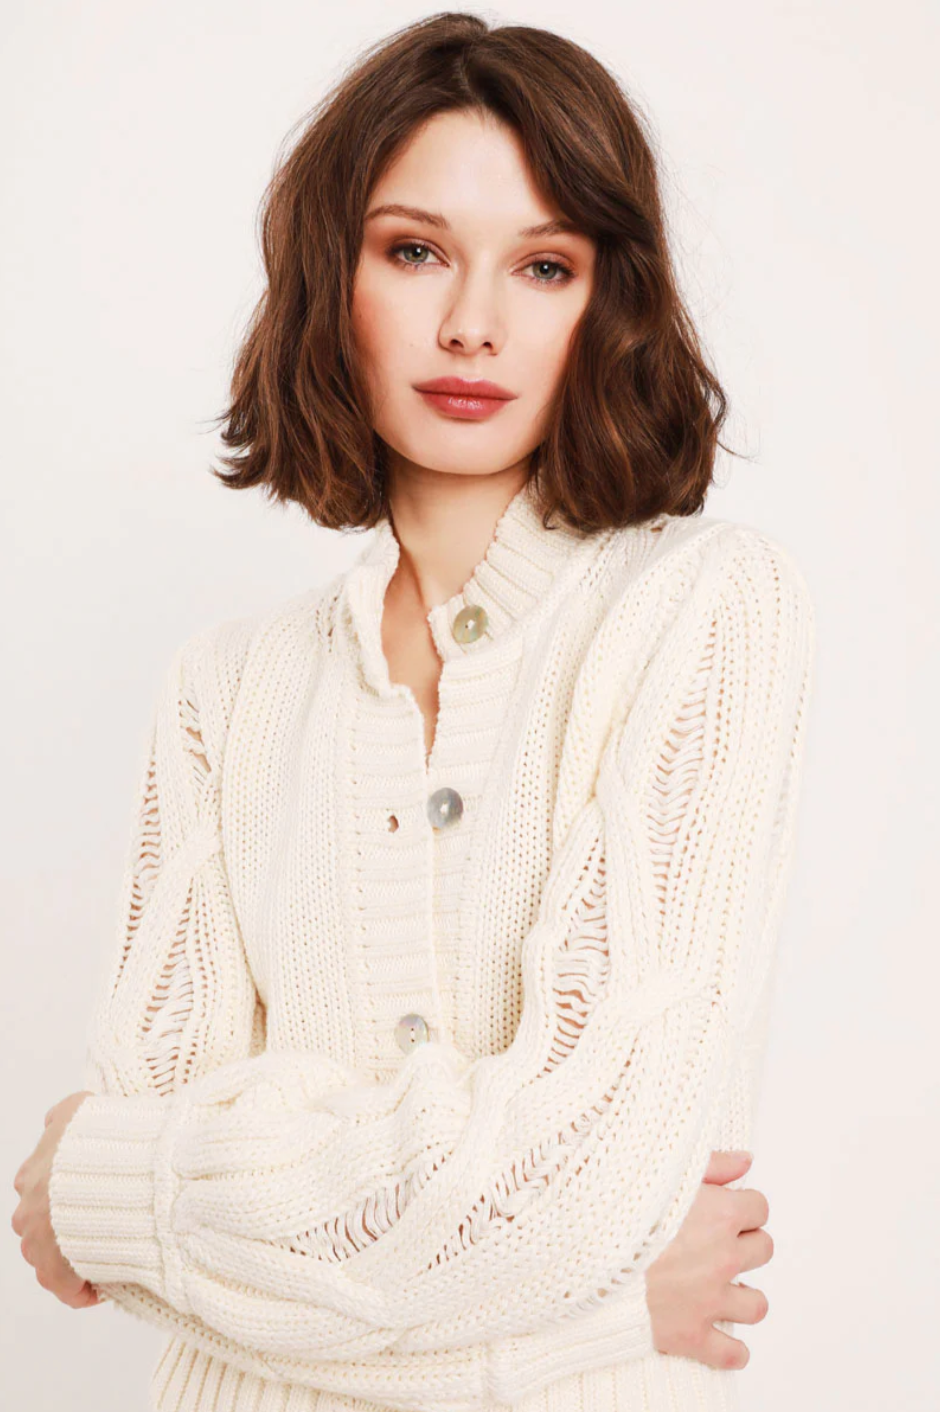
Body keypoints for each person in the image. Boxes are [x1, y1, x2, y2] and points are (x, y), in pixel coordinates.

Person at [12, 13, 815, 1412]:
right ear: (335, 274)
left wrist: (112, 1184)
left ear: (607, 299)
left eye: (545, 265)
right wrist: (608, 1310)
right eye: (415, 249)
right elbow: (147, 1237)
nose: (472, 324)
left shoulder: (701, 610)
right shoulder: (225, 688)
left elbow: (584, 1178)